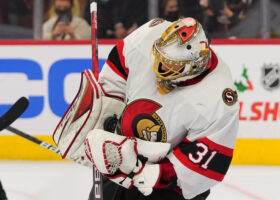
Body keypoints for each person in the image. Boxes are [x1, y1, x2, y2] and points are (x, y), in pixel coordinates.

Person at [53, 17, 239, 200]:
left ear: (194, 65)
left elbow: (205, 166)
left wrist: (146, 173)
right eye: (161, 57)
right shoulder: (149, 35)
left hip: (171, 186)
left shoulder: (219, 98)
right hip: (120, 156)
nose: (161, 66)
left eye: (171, 65)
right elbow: (119, 67)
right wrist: (105, 118)